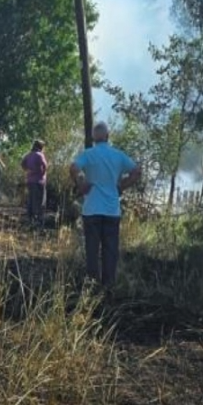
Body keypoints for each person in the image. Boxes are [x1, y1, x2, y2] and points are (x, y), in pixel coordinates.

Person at [70, 121, 142, 292]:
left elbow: (73, 167)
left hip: (92, 209)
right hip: (111, 210)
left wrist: (81, 183)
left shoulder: (89, 154)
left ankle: (92, 285)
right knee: (110, 250)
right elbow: (137, 171)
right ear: (108, 136)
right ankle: (109, 286)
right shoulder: (118, 155)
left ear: (93, 138)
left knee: (92, 249)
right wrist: (121, 186)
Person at [21, 139, 48, 224]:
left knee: (31, 199)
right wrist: (42, 174)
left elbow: (22, 164)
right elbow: (45, 166)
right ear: (41, 147)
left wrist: (28, 170)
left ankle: (30, 218)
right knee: (40, 201)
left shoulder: (28, 155)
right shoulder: (40, 155)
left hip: (30, 181)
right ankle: (38, 220)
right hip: (39, 181)